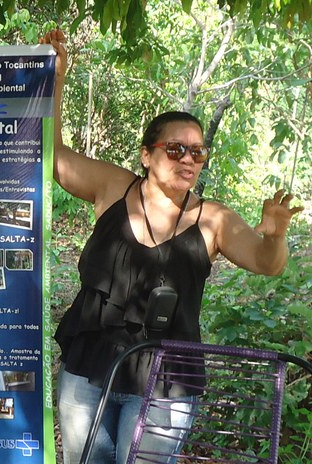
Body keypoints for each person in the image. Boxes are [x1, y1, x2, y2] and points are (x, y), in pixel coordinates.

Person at [41, 30, 304, 464]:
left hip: (169, 379)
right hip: (89, 364)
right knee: (86, 460)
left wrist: (274, 237)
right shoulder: (111, 185)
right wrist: (56, 78)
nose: (188, 159)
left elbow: (266, 263)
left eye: (197, 153)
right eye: (176, 148)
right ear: (146, 155)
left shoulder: (213, 218)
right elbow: (55, 157)